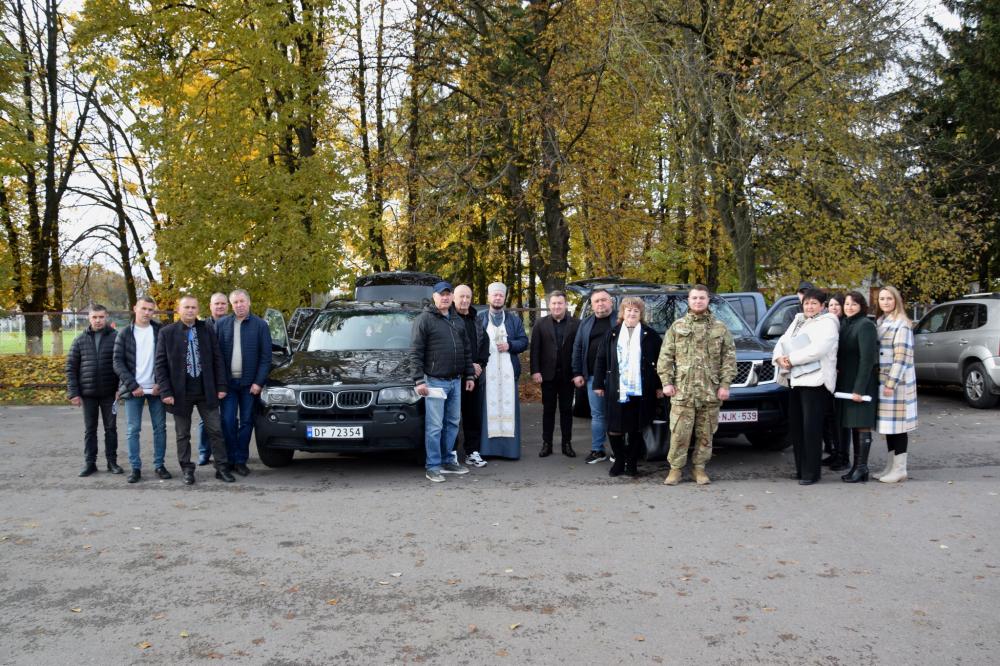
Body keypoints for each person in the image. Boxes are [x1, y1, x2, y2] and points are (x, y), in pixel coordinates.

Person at [657, 285, 736, 485]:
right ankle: (675, 469)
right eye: (694, 298)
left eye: (702, 297)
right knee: (679, 434)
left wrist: (725, 385)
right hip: (683, 391)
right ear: (689, 300)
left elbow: (729, 359)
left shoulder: (720, 328)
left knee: (706, 434)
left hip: (710, 391)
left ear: (708, 300)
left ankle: (699, 469)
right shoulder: (677, 327)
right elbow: (665, 357)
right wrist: (666, 382)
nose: (698, 301)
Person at [155, 295, 235, 485]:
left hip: (206, 390)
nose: (190, 310)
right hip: (179, 393)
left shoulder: (207, 330)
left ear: (198, 309)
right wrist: (166, 392)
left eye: (193, 307)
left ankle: (221, 467)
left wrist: (222, 386)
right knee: (183, 434)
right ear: (178, 309)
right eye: (186, 307)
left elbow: (218, 359)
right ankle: (187, 469)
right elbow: (160, 365)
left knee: (215, 430)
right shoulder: (167, 333)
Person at [410, 281, 476, 483]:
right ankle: (433, 466)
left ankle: (449, 460)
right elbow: (415, 352)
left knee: (453, 423)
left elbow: (466, 351)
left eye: (448, 294)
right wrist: (419, 380)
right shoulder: (424, 320)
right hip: (434, 382)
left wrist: (470, 375)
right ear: (434, 297)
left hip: (456, 381)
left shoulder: (457, 320)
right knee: (435, 426)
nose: (445, 298)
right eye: (442, 294)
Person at [773, 288, 840, 485]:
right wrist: (779, 358)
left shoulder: (828, 323)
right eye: (807, 303)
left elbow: (818, 350)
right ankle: (801, 469)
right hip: (795, 380)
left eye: (814, 303)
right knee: (798, 428)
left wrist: (791, 359)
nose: (809, 306)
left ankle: (812, 472)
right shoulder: (799, 320)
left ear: (822, 306)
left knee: (811, 429)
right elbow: (783, 341)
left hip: (815, 382)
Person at [593, 297, 663, 477]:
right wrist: (598, 383)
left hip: (642, 390)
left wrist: (659, 386)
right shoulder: (612, 334)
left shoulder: (651, 335)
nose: (632, 313)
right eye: (628, 310)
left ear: (641, 314)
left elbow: (661, 363)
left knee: (636, 428)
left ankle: (632, 463)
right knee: (614, 428)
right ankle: (619, 461)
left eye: (636, 311)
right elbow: (600, 359)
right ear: (622, 313)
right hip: (617, 389)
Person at [216, 289, 272, 476]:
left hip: (250, 385)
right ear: (232, 305)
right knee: (228, 421)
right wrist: (220, 384)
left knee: (247, 422)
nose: (239, 305)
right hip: (228, 385)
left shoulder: (260, 325)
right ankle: (230, 458)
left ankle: (241, 460)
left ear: (249, 302)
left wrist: (258, 382)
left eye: (242, 301)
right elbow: (216, 357)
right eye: (235, 302)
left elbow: (266, 357)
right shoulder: (222, 324)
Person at [113, 296, 169, 484]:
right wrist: (133, 385)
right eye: (143, 308)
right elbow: (117, 362)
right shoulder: (125, 333)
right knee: (133, 429)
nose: (146, 313)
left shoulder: (160, 331)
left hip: (156, 390)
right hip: (133, 390)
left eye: (150, 310)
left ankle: (159, 465)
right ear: (135, 308)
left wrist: (160, 384)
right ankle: (135, 468)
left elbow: (168, 360)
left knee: (160, 428)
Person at [66, 304, 121, 477]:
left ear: (106, 318)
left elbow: (123, 364)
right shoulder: (80, 340)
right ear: (89, 318)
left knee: (110, 429)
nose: (98, 321)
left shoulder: (116, 338)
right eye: (94, 317)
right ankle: (90, 463)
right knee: (90, 430)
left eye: (101, 317)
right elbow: (71, 368)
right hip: (88, 395)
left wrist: (121, 388)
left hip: (110, 394)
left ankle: (112, 462)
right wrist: (74, 393)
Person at [477, 282, 529, 460]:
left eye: (500, 295)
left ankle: (510, 451)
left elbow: (524, 341)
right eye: (494, 295)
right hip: (488, 373)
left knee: (508, 410)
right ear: (489, 297)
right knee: (488, 410)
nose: (497, 298)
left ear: (504, 298)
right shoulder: (480, 318)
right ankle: (487, 450)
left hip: (507, 373)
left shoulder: (513, 319)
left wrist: (510, 345)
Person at [874, 285, 918, 483]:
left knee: (899, 427)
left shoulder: (902, 324)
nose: (885, 302)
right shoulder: (882, 321)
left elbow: (902, 357)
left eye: (889, 299)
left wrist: (891, 383)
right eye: (882, 299)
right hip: (884, 381)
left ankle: (900, 469)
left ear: (896, 300)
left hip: (897, 383)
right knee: (889, 426)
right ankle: (891, 466)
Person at [530, 290, 581, 458]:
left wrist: (578, 372)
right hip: (547, 375)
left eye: (560, 303)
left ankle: (567, 444)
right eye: (554, 303)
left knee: (567, 411)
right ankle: (547, 444)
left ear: (565, 305)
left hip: (568, 375)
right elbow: (535, 350)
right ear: (549, 305)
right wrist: (535, 371)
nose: (557, 306)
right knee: (548, 410)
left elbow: (578, 350)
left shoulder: (576, 324)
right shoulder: (540, 324)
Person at [837, 291, 880, 483]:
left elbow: (867, 359)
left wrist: (859, 389)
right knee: (854, 424)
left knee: (862, 424)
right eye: (847, 304)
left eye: (854, 304)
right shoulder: (845, 324)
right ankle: (857, 467)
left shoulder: (866, 325)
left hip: (860, 384)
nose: (849, 307)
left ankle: (862, 468)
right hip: (847, 383)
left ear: (862, 306)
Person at [572, 289, 615, 464]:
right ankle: (598, 450)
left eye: (604, 300)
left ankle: (618, 451)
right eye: (596, 301)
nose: (600, 304)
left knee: (617, 414)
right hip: (591, 376)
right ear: (592, 304)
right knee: (597, 415)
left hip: (616, 377)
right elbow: (578, 348)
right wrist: (577, 372)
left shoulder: (620, 320)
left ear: (611, 302)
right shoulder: (586, 323)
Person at [453, 284, 490, 468]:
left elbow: (484, 342)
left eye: (468, 297)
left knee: (472, 416)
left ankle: (472, 452)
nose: (465, 300)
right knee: (452, 418)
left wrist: (480, 365)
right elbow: (452, 348)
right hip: (454, 376)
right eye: (461, 297)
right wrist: (469, 366)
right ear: (453, 297)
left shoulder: (476, 318)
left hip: (474, 377)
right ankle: (451, 453)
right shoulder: (448, 318)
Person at [198, 292, 230, 466]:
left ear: (227, 306)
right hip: (207, 380)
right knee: (206, 419)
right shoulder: (202, 326)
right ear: (210, 306)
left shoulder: (233, 324)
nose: (220, 307)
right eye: (216, 304)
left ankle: (225, 451)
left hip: (229, 378)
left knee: (227, 418)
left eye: (223, 304)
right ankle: (204, 451)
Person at [822, 293, 850, 471]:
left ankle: (843, 456)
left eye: (836, 305)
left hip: (842, 377)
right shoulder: (827, 324)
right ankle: (834, 452)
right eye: (831, 305)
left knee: (841, 420)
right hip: (829, 377)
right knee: (830, 418)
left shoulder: (846, 325)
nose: (833, 308)